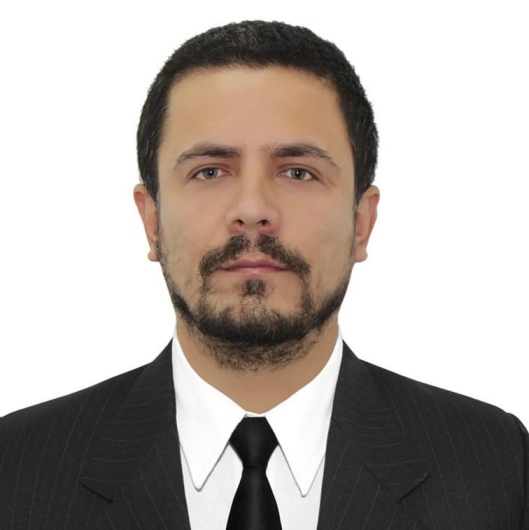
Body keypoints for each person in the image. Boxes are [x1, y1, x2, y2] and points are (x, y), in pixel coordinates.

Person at [0, 20, 527, 530]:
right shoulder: (16, 469)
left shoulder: (497, 465)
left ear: (361, 223)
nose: (252, 210)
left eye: (298, 172)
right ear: (152, 221)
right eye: (210, 171)